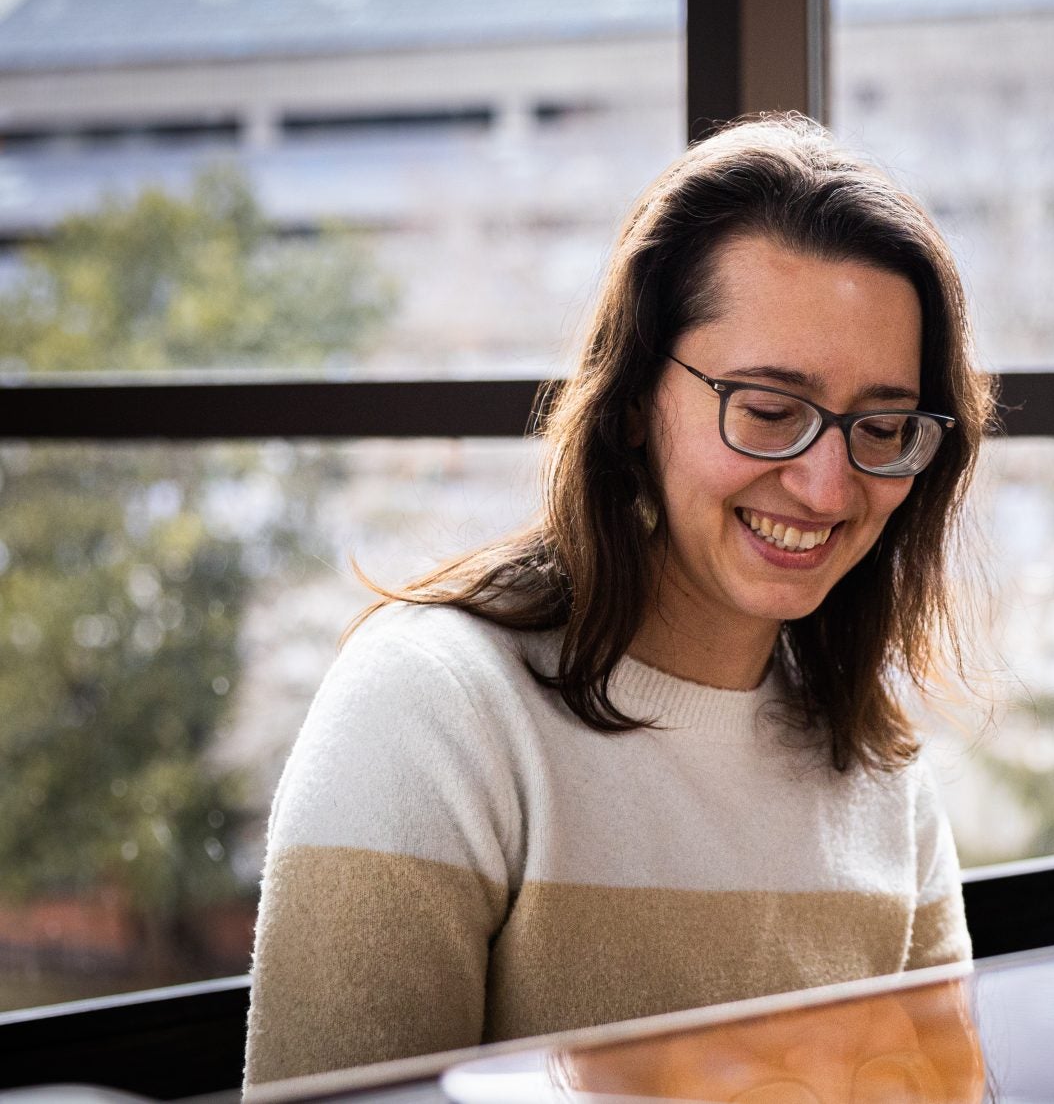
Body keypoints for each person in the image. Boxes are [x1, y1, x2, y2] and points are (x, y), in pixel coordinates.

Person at [243, 114, 991, 1086]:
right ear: (636, 399)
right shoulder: (433, 709)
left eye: (882, 426)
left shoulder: (880, 778)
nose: (826, 487)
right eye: (768, 411)